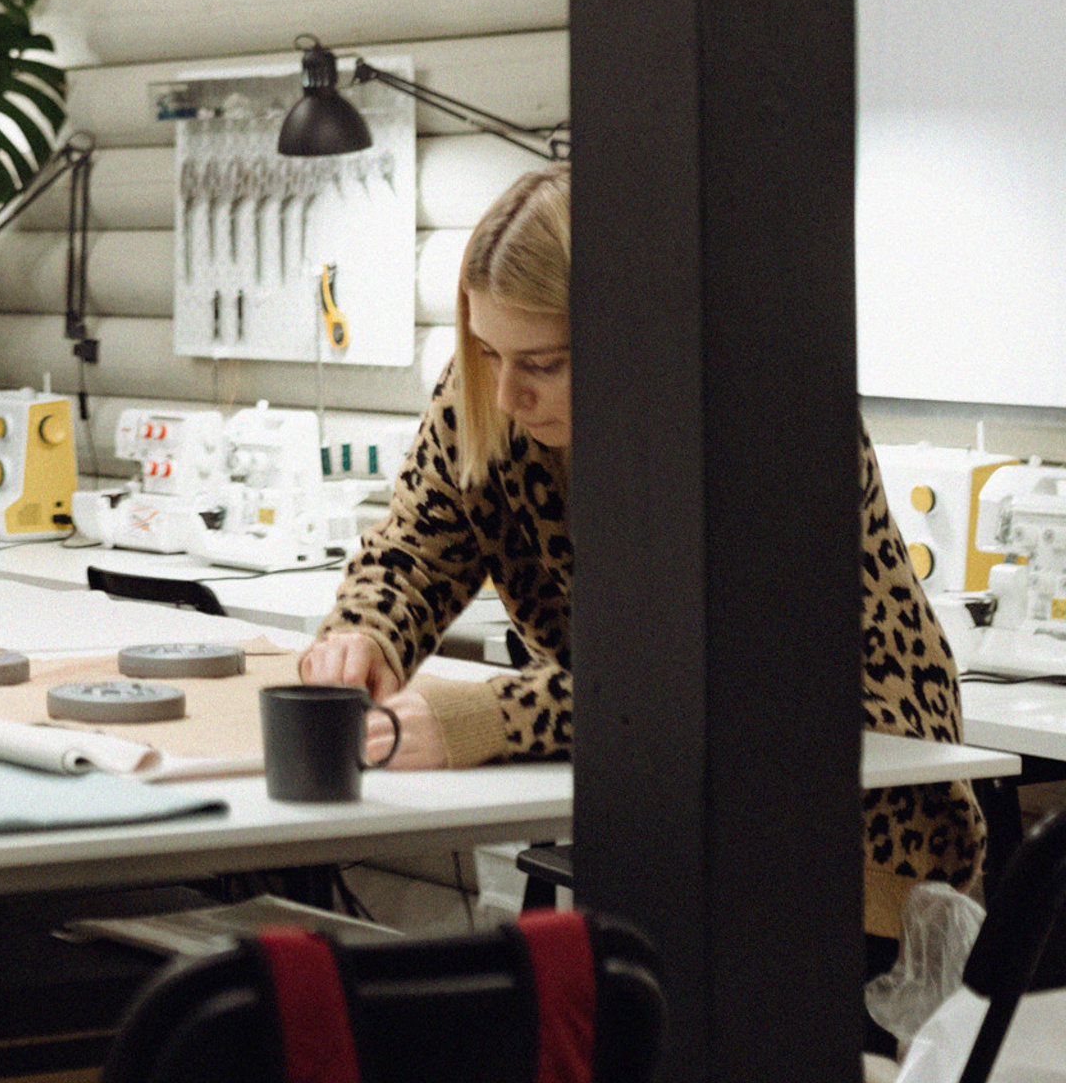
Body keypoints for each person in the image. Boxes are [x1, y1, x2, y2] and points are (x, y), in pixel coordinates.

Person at [301, 162, 981, 944]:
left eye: (543, 364)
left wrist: (487, 719)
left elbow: (717, 673)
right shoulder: (491, 387)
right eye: (487, 352)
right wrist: (366, 629)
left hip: (838, 805)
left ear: (625, 331)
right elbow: (418, 549)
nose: (505, 394)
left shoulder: (767, 406)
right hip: (657, 789)